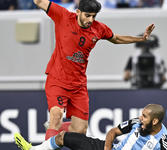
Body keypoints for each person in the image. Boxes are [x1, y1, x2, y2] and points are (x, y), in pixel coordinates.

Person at [33, 0, 155, 140]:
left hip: (78, 85)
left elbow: (116, 39)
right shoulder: (63, 16)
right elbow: (39, 1)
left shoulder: (99, 28)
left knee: (80, 131)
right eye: (87, 15)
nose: (90, 20)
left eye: (94, 16)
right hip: (57, 78)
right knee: (56, 115)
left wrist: (141, 39)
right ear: (78, 12)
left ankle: (54, 128)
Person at [14, 104, 167, 150]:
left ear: (155, 121)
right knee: (62, 137)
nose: (140, 118)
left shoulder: (162, 142)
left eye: (145, 116)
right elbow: (113, 132)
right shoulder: (136, 122)